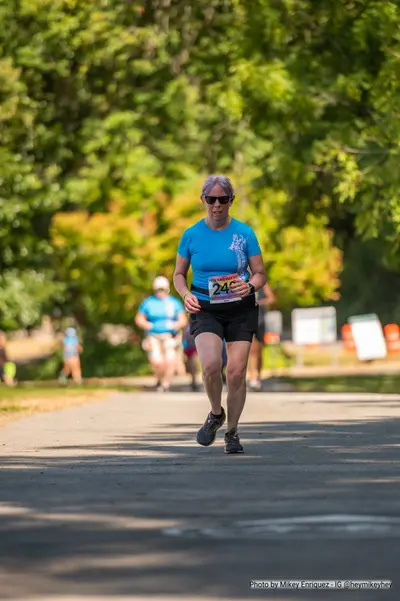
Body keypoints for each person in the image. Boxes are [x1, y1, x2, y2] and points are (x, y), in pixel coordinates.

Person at [173, 174, 266, 454]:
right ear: (203, 200)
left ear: (230, 201)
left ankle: (233, 432)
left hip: (240, 308)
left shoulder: (244, 233)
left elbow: (260, 274)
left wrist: (248, 285)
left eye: (222, 199)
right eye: (211, 199)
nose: (216, 205)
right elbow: (178, 274)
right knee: (212, 366)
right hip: (205, 308)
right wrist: (185, 294)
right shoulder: (191, 235)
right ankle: (216, 413)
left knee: (236, 372)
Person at [135, 276, 187, 392]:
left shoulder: (174, 303)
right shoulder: (148, 302)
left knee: (170, 359)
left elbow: (183, 319)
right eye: (158, 289)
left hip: (170, 335)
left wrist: (176, 325)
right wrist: (147, 325)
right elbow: (139, 319)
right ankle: (159, 378)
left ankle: (165, 383)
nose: (161, 292)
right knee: (157, 361)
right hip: (153, 335)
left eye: (163, 289)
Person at [248, 283, 276, 390]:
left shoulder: (262, 284)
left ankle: (258, 377)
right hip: (249, 320)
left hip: (261, 320)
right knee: (253, 350)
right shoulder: (242, 282)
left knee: (259, 351)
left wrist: (260, 302)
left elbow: (272, 298)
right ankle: (252, 378)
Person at [182, 325, 200, 391]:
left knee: (193, 361)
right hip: (188, 343)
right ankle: (193, 380)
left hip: (195, 343)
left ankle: (194, 380)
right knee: (190, 362)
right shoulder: (187, 325)